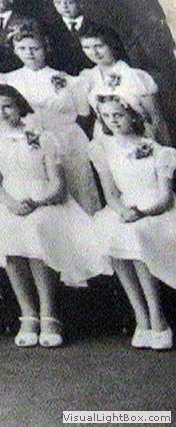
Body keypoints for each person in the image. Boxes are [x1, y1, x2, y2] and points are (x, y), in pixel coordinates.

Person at [0, 84, 107, 348]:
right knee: (8, 233)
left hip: (43, 198)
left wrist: (37, 202)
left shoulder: (43, 137)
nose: (1, 112)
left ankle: (48, 314)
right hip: (9, 199)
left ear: (19, 106)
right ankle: (28, 314)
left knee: (36, 229)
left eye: (7, 106)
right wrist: (11, 203)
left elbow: (57, 184)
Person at [89, 95, 174, 350]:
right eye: (106, 116)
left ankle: (157, 316)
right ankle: (141, 316)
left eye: (118, 115)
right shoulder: (103, 150)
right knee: (111, 232)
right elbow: (111, 194)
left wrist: (144, 212)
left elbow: (166, 197)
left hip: (156, 211)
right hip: (125, 209)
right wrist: (123, 211)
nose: (113, 121)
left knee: (137, 235)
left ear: (133, 116)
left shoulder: (158, 151)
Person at [4, 29, 101, 214]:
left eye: (35, 48)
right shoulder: (9, 80)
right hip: (31, 142)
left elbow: (84, 113)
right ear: (15, 50)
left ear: (45, 48)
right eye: (22, 49)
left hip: (67, 140)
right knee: (43, 192)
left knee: (77, 188)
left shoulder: (67, 80)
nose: (29, 53)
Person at [79, 26, 171, 145]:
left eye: (99, 46)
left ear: (111, 45)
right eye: (87, 47)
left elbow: (156, 118)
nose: (94, 53)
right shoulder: (87, 77)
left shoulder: (135, 76)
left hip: (139, 138)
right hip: (105, 140)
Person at [43, 0, 103, 75]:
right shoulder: (49, 30)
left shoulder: (97, 28)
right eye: (58, 3)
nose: (64, 6)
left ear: (80, 2)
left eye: (69, 2)